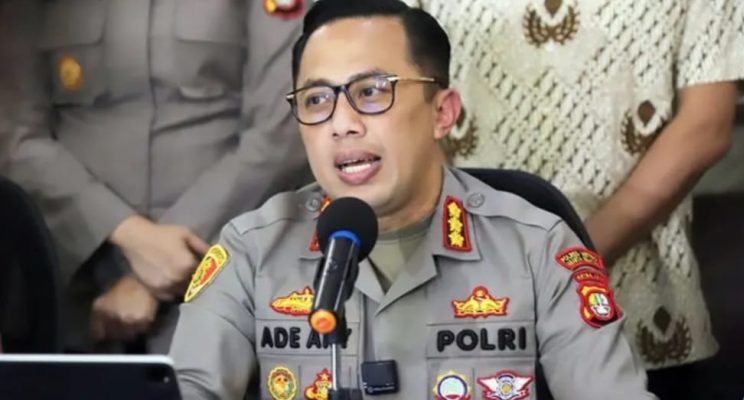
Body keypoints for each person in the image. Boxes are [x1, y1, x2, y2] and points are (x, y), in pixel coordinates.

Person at [168, 1, 657, 399]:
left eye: (371, 92)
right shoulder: (251, 250)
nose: (342, 124)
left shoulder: (536, 246)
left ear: (442, 113)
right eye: (317, 100)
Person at [405, 0, 744, 396]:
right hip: (465, 299)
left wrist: (566, 265)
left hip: (638, 304)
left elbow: (705, 126)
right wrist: (490, 262)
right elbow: (391, 93)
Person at [2, 0, 312, 353]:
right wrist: (127, 233)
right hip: (76, 284)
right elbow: (15, 137)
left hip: (227, 276)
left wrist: (167, 265)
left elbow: (283, 132)